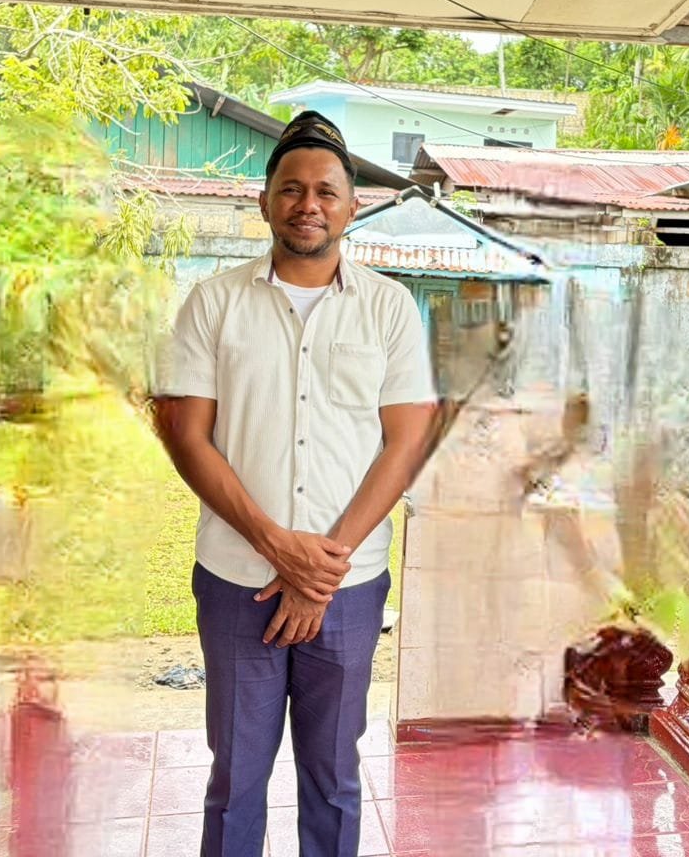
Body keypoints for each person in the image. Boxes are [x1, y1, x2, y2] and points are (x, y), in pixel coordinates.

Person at [150, 110, 438, 857]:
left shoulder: (388, 308)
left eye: (326, 191)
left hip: (348, 587)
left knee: (334, 776)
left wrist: (319, 572)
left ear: (352, 206)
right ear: (265, 201)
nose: (309, 204)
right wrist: (277, 545)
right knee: (235, 778)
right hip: (238, 580)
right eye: (291, 188)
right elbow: (186, 434)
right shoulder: (214, 302)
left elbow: (407, 439)